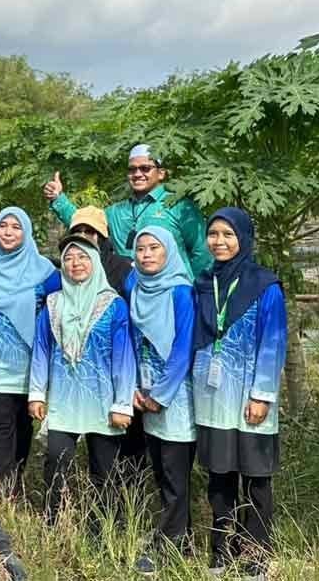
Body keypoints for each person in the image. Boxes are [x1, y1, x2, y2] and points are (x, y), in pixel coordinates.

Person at [192, 208, 285, 581]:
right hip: (212, 399)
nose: (219, 241)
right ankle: (221, 550)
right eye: (213, 234)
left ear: (244, 238)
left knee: (256, 480)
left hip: (250, 400)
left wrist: (262, 395)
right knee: (219, 478)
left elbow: (273, 342)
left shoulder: (265, 286)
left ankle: (257, 555)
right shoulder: (203, 283)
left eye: (228, 234)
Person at [28, 235, 135, 524]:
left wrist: (123, 403)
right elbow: (42, 348)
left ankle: (103, 529)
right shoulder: (53, 304)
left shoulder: (113, 305)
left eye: (83, 257)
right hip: (63, 399)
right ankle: (53, 523)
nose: (75, 263)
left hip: (102, 400)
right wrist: (36, 393)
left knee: (105, 469)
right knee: (56, 460)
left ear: (95, 262)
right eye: (68, 258)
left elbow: (123, 357)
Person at [0, 207, 59, 499]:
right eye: (3, 225)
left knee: (22, 425)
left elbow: (59, 309)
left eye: (16, 227)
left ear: (27, 232)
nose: (8, 232)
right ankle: (5, 491)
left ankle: (15, 478)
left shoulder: (45, 271)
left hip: (28, 364)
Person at [127, 227, 196, 574]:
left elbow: (184, 347)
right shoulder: (136, 288)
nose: (147, 255)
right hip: (145, 396)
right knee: (160, 471)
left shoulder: (181, 291)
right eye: (141, 249)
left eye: (154, 248)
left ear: (168, 252)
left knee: (174, 475)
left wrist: (161, 395)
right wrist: (134, 388)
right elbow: (132, 342)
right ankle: (181, 540)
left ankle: (169, 548)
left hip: (175, 399)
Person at [43, 144, 212, 278]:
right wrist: (58, 199)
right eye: (132, 169)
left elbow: (202, 252)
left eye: (145, 168)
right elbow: (85, 223)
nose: (137, 174)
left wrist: (197, 287)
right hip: (129, 292)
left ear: (161, 173)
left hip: (173, 291)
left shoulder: (179, 206)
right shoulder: (116, 211)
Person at [66, 206, 146, 475]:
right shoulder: (70, 270)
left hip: (126, 359)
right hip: (91, 367)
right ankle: (102, 490)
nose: (84, 236)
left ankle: (132, 490)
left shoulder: (124, 269)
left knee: (131, 434)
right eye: (78, 231)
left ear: (102, 236)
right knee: (99, 435)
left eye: (90, 231)